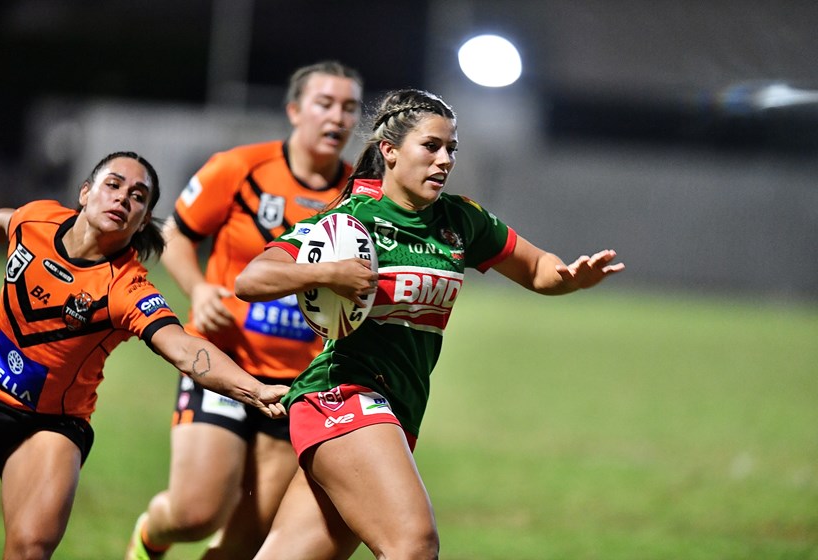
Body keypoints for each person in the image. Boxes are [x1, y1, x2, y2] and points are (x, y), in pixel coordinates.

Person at [233, 88, 626, 560]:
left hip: (399, 407)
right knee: (413, 546)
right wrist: (327, 271)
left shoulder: (460, 220)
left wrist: (571, 279)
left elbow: (538, 269)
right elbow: (253, 279)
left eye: (452, 149)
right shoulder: (350, 219)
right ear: (390, 151)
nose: (445, 160)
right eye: (432, 146)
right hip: (342, 395)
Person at [0, 151, 289, 560]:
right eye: (114, 185)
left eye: (139, 196)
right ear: (85, 193)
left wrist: (253, 388)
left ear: (143, 221)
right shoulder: (35, 219)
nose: (124, 197)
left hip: (53, 423)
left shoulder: (128, 288)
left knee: (30, 548)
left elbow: (183, 347)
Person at [126, 61, 363, 560]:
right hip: (223, 361)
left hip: (298, 383)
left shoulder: (361, 197)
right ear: (295, 110)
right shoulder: (240, 168)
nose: (337, 117)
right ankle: (152, 535)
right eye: (324, 103)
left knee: (247, 538)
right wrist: (199, 289)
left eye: (348, 107)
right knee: (196, 513)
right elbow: (175, 234)